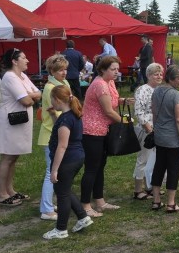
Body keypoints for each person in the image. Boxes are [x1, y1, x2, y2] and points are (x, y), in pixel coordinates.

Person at [80, 56, 130, 217]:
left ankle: (100, 201)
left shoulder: (109, 83)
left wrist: (123, 100)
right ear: (102, 70)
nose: (117, 72)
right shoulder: (100, 84)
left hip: (103, 130)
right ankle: (85, 205)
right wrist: (125, 122)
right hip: (92, 131)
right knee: (91, 168)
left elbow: (112, 101)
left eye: (117, 69)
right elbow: (108, 110)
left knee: (100, 166)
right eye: (113, 69)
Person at [43, 85, 94, 239]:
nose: (51, 102)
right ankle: (82, 217)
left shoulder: (66, 120)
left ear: (58, 100)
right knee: (64, 190)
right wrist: (53, 115)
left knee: (62, 195)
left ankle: (60, 229)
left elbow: (62, 145)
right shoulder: (72, 115)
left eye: (52, 99)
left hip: (67, 160)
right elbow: (61, 126)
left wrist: (54, 169)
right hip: (77, 157)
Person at [0, 48, 41, 206]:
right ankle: (2, 194)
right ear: (14, 61)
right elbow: (26, 100)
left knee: (14, 157)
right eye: (24, 58)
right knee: (7, 157)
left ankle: (10, 190)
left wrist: (30, 94)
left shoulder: (22, 76)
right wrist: (30, 95)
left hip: (19, 120)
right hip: (10, 121)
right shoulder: (9, 76)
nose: (27, 60)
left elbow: (38, 93)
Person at [150, 65, 179, 213]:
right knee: (173, 169)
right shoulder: (176, 96)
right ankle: (171, 203)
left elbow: (153, 112)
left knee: (159, 167)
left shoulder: (157, 91)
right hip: (173, 138)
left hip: (160, 136)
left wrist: (156, 129)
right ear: (171, 78)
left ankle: (156, 200)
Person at [37, 55, 71, 221]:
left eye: (65, 69)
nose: (64, 73)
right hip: (52, 134)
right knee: (51, 173)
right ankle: (46, 208)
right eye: (60, 70)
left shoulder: (63, 83)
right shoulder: (51, 88)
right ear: (52, 71)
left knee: (57, 171)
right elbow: (57, 115)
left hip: (59, 133)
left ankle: (50, 203)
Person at [132, 62, 163, 199]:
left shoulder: (159, 89)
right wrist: (147, 127)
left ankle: (149, 186)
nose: (159, 76)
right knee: (143, 159)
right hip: (146, 129)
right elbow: (139, 111)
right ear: (149, 75)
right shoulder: (142, 90)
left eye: (161, 73)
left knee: (153, 160)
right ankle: (138, 190)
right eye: (156, 74)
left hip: (157, 128)